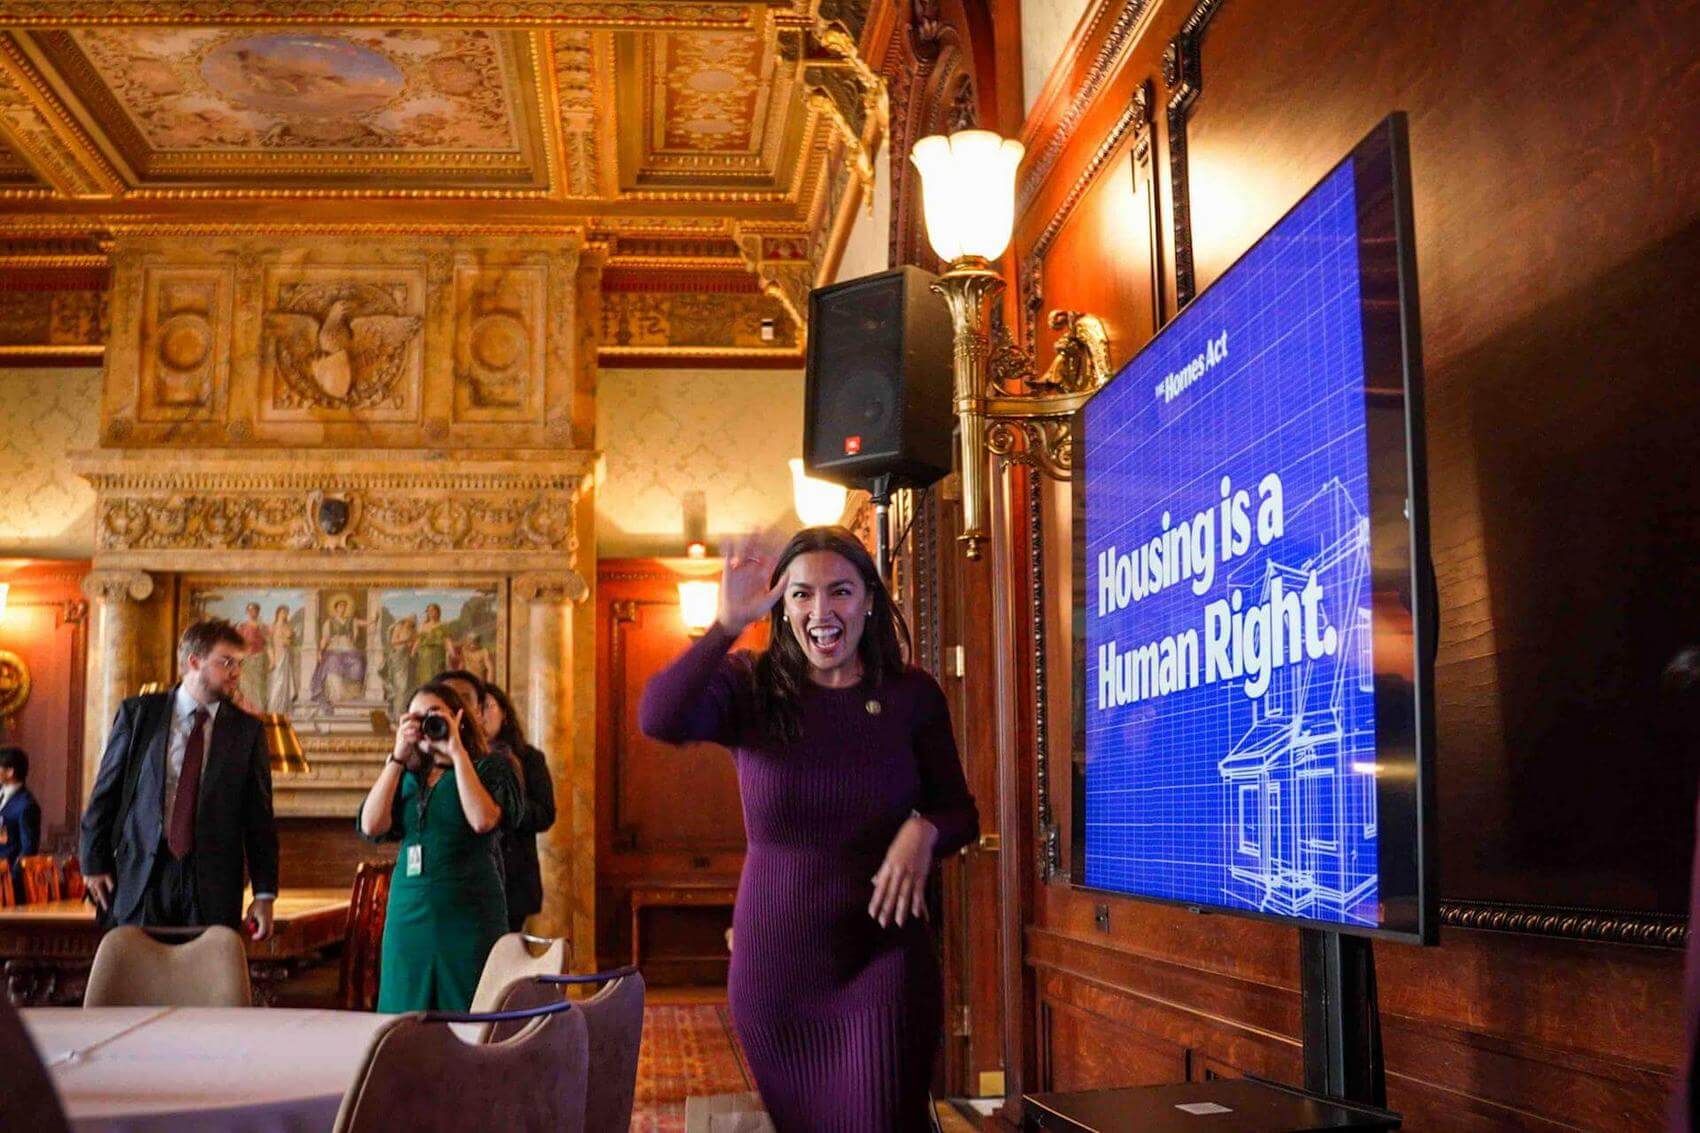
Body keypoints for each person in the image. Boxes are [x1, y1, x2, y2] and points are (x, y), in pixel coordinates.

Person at [640, 526, 979, 1130]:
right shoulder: (752, 686)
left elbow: (960, 811)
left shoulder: (911, 695)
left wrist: (924, 830)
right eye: (801, 595)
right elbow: (658, 717)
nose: (821, 612)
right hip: (777, 974)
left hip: (884, 960)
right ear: (783, 604)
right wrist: (726, 625)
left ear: (868, 599)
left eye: (839, 592)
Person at [79, 619, 278, 939]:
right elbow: (106, 792)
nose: (235, 672)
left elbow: (259, 819)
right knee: (139, 983)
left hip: (212, 887)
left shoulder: (247, 731)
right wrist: (92, 862)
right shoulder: (140, 714)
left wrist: (264, 894)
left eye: (239, 663)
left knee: (203, 986)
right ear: (194, 662)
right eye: (226, 662)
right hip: (142, 878)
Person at [358, 681, 519, 1012]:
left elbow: (482, 821)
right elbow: (371, 825)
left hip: (468, 910)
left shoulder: (488, 766)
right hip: (408, 911)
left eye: (435, 715)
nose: (427, 724)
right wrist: (397, 757)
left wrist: (457, 753)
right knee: (402, 1015)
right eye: (417, 718)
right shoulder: (408, 773)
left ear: (458, 718)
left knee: (470, 1011)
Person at [481, 683, 556, 933]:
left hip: (513, 879)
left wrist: (505, 810)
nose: (481, 714)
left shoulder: (529, 759)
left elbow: (545, 814)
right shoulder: (460, 762)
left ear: (504, 713)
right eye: (475, 708)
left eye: (488, 706)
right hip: (471, 880)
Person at [0, 747, 41, 903]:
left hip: (7, 884)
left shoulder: (26, 805)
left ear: (10, 772)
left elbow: (29, 849)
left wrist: (11, 877)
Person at [311, 596, 367, 706]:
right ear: (336, 608)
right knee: (333, 662)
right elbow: (324, 638)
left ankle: (351, 693)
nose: (343, 608)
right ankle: (335, 695)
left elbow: (363, 623)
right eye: (341, 606)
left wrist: (374, 619)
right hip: (334, 649)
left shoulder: (351, 621)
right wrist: (319, 651)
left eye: (344, 606)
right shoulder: (329, 623)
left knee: (358, 662)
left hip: (349, 649)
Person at [235, 602, 269, 711]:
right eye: (249, 610)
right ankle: (246, 711)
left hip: (259, 659)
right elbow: (237, 644)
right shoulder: (242, 627)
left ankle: (258, 711)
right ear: (247, 612)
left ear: (258, 612)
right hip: (246, 659)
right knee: (245, 686)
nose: (252, 612)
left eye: (254, 610)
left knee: (258, 687)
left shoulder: (263, 626)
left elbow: (268, 642)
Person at [265, 604, 298, 714]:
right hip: (277, 655)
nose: (284, 614)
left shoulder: (288, 627)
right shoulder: (273, 626)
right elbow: (268, 644)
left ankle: (284, 707)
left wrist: (289, 640)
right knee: (276, 681)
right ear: (278, 613)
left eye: (286, 613)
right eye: (283, 612)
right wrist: (272, 659)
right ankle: (274, 707)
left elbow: (291, 642)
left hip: (286, 655)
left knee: (285, 681)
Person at [412, 603, 449, 688]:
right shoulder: (423, 626)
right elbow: (418, 640)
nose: (431, 613)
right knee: (425, 677)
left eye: (433, 610)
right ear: (427, 613)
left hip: (438, 654)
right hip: (424, 655)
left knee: (438, 676)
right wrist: (413, 652)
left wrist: (451, 652)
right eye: (429, 611)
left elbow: (447, 640)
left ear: (438, 612)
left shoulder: (443, 625)